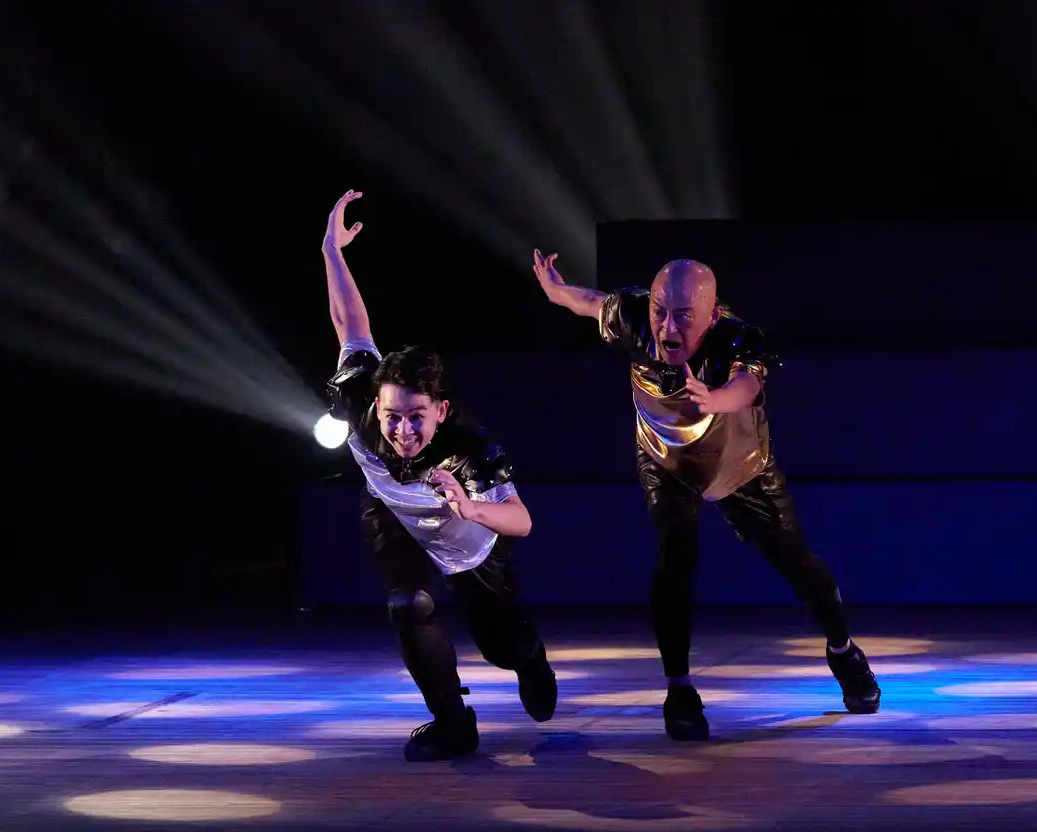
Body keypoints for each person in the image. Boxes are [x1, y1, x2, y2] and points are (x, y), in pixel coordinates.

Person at [529, 249, 880, 741]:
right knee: (675, 559)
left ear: (712, 315)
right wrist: (555, 290)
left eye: (683, 316)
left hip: (740, 464)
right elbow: (589, 302)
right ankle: (680, 690)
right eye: (660, 311)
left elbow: (745, 385)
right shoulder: (635, 316)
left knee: (799, 565)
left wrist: (714, 399)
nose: (667, 326)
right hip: (666, 460)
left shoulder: (739, 338)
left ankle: (843, 650)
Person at [321, 190, 557, 761]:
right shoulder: (357, 393)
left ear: (441, 410)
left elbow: (521, 521)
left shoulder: (468, 447)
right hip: (394, 515)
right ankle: (453, 724)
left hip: (467, 535)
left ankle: (529, 658)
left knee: (501, 646)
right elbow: (350, 322)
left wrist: (471, 508)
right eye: (391, 416)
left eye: (416, 418)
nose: (401, 430)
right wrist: (332, 250)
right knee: (408, 606)